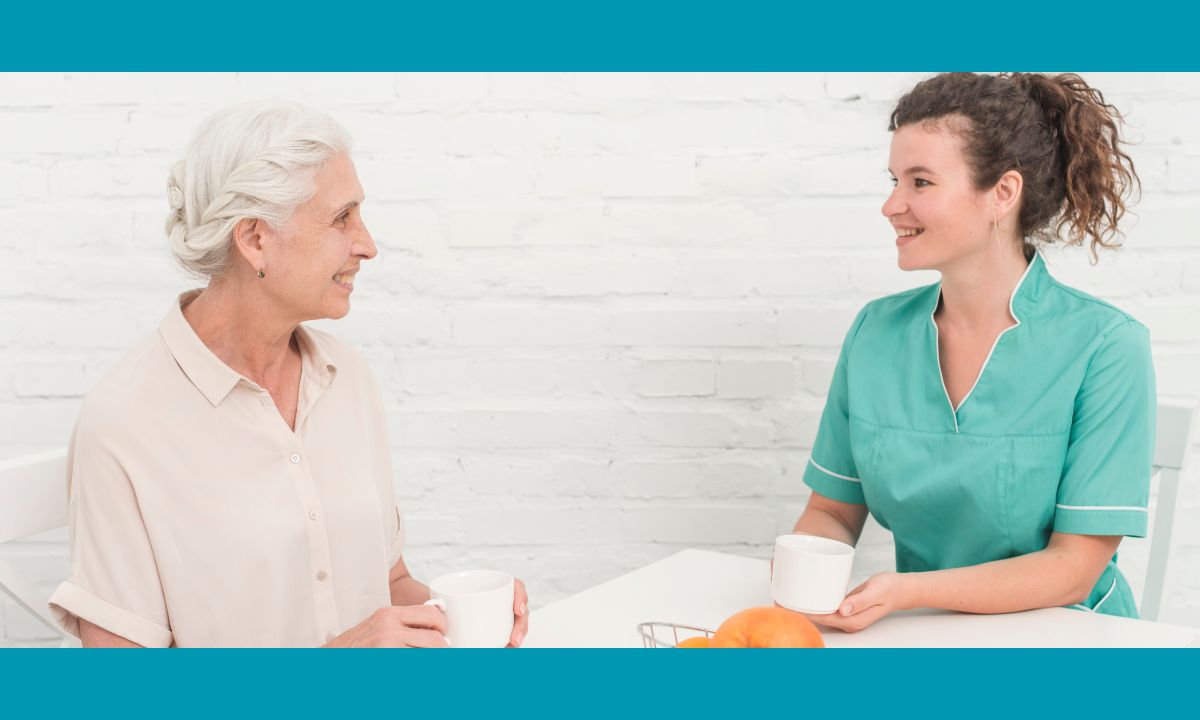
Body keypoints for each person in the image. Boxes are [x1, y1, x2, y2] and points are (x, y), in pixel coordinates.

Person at [47, 102, 530, 647]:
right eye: (340, 218)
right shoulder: (125, 423)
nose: (367, 244)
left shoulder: (345, 375)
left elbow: (389, 584)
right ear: (255, 239)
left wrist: (467, 615)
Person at [791, 72, 1153, 632]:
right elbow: (833, 511)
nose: (892, 204)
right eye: (894, 180)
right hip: (922, 633)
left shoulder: (1105, 346)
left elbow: (1074, 569)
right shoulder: (875, 333)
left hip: (1072, 637)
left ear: (1003, 194)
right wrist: (804, 568)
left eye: (920, 182)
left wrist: (907, 593)